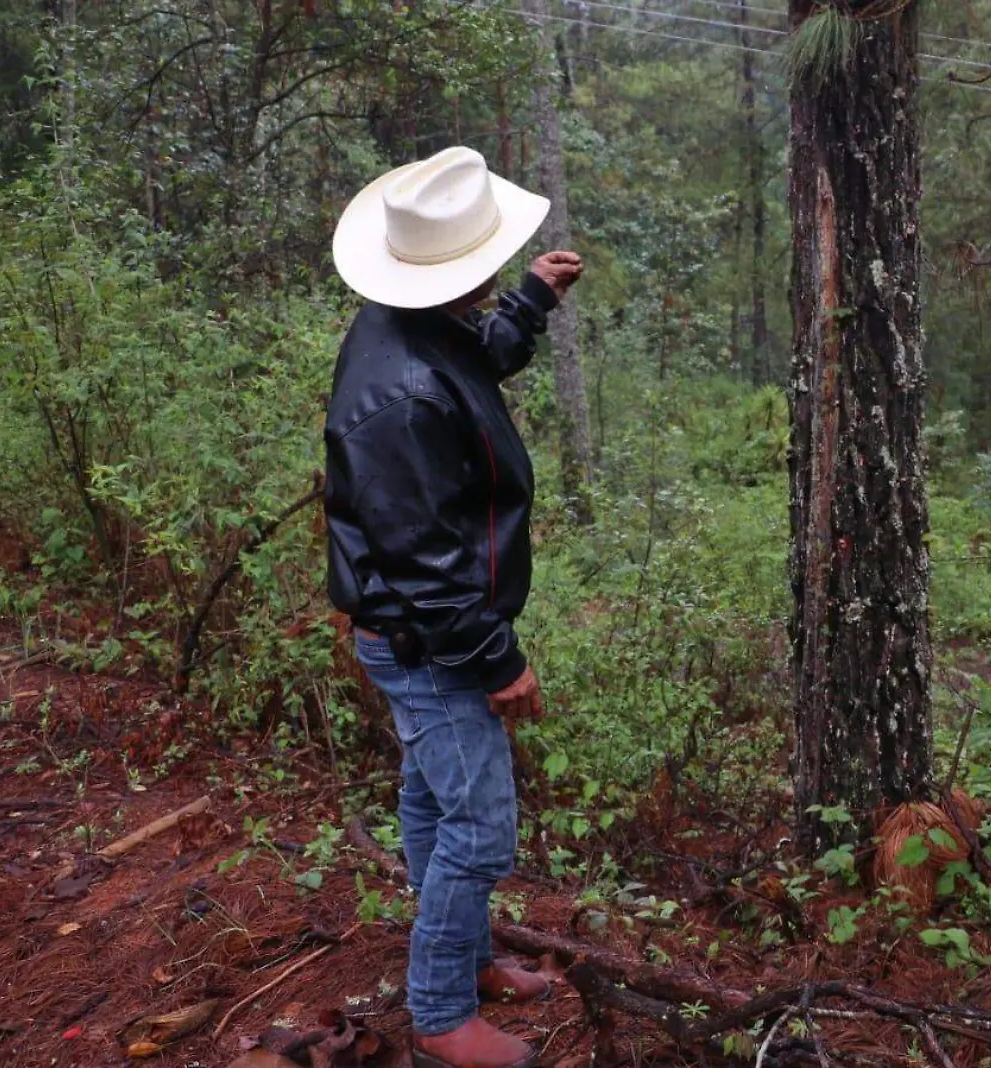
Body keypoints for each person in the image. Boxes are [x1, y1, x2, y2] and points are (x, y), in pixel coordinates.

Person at [325, 145, 584, 1068]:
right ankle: (439, 1014)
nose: (484, 290)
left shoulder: (417, 324)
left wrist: (530, 303)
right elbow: (425, 562)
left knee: (435, 798)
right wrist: (498, 661)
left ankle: (466, 963)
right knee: (478, 827)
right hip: (426, 634)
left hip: (418, 626)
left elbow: (475, 363)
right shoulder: (397, 397)